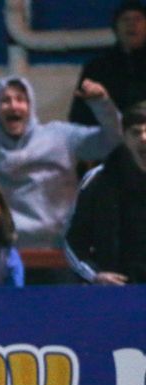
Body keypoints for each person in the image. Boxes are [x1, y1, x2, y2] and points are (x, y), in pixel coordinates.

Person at [0, 51, 121, 252]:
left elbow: (114, 140)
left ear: (30, 106)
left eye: (20, 99)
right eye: (5, 100)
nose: (14, 105)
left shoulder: (61, 137)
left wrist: (102, 103)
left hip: (55, 252)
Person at [65, 102, 146, 285]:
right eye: (136, 132)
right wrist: (95, 275)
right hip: (117, 292)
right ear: (124, 137)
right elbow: (73, 243)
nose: (144, 138)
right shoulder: (99, 180)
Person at [69, 1, 146, 127]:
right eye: (125, 19)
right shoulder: (98, 68)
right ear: (116, 28)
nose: (132, 24)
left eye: (138, 19)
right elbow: (79, 118)